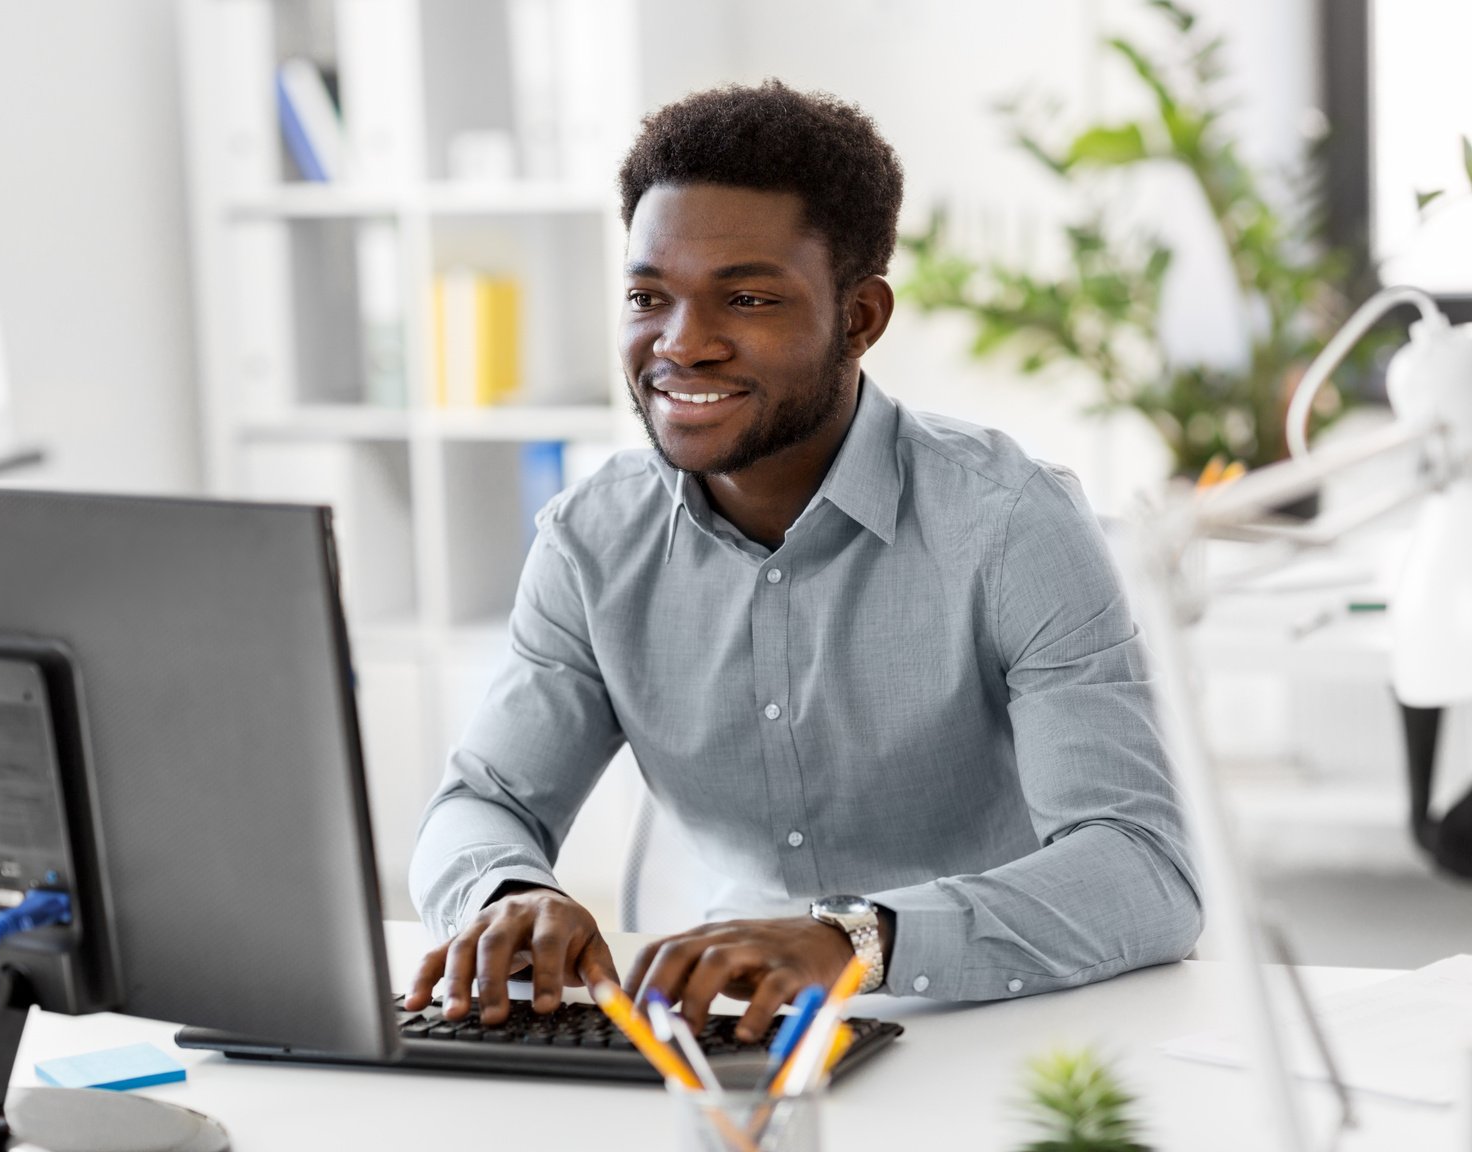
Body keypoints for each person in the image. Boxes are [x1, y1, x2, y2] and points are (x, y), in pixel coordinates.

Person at [405, 80, 1201, 1043]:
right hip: (719, 1037)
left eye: (746, 298)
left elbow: (1143, 866)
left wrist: (856, 940)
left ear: (860, 318)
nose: (681, 344)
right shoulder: (591, 539)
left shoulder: (1010, 522)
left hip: (999, 1023)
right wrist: (507, 891)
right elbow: (482, 801)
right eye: (648, 296)